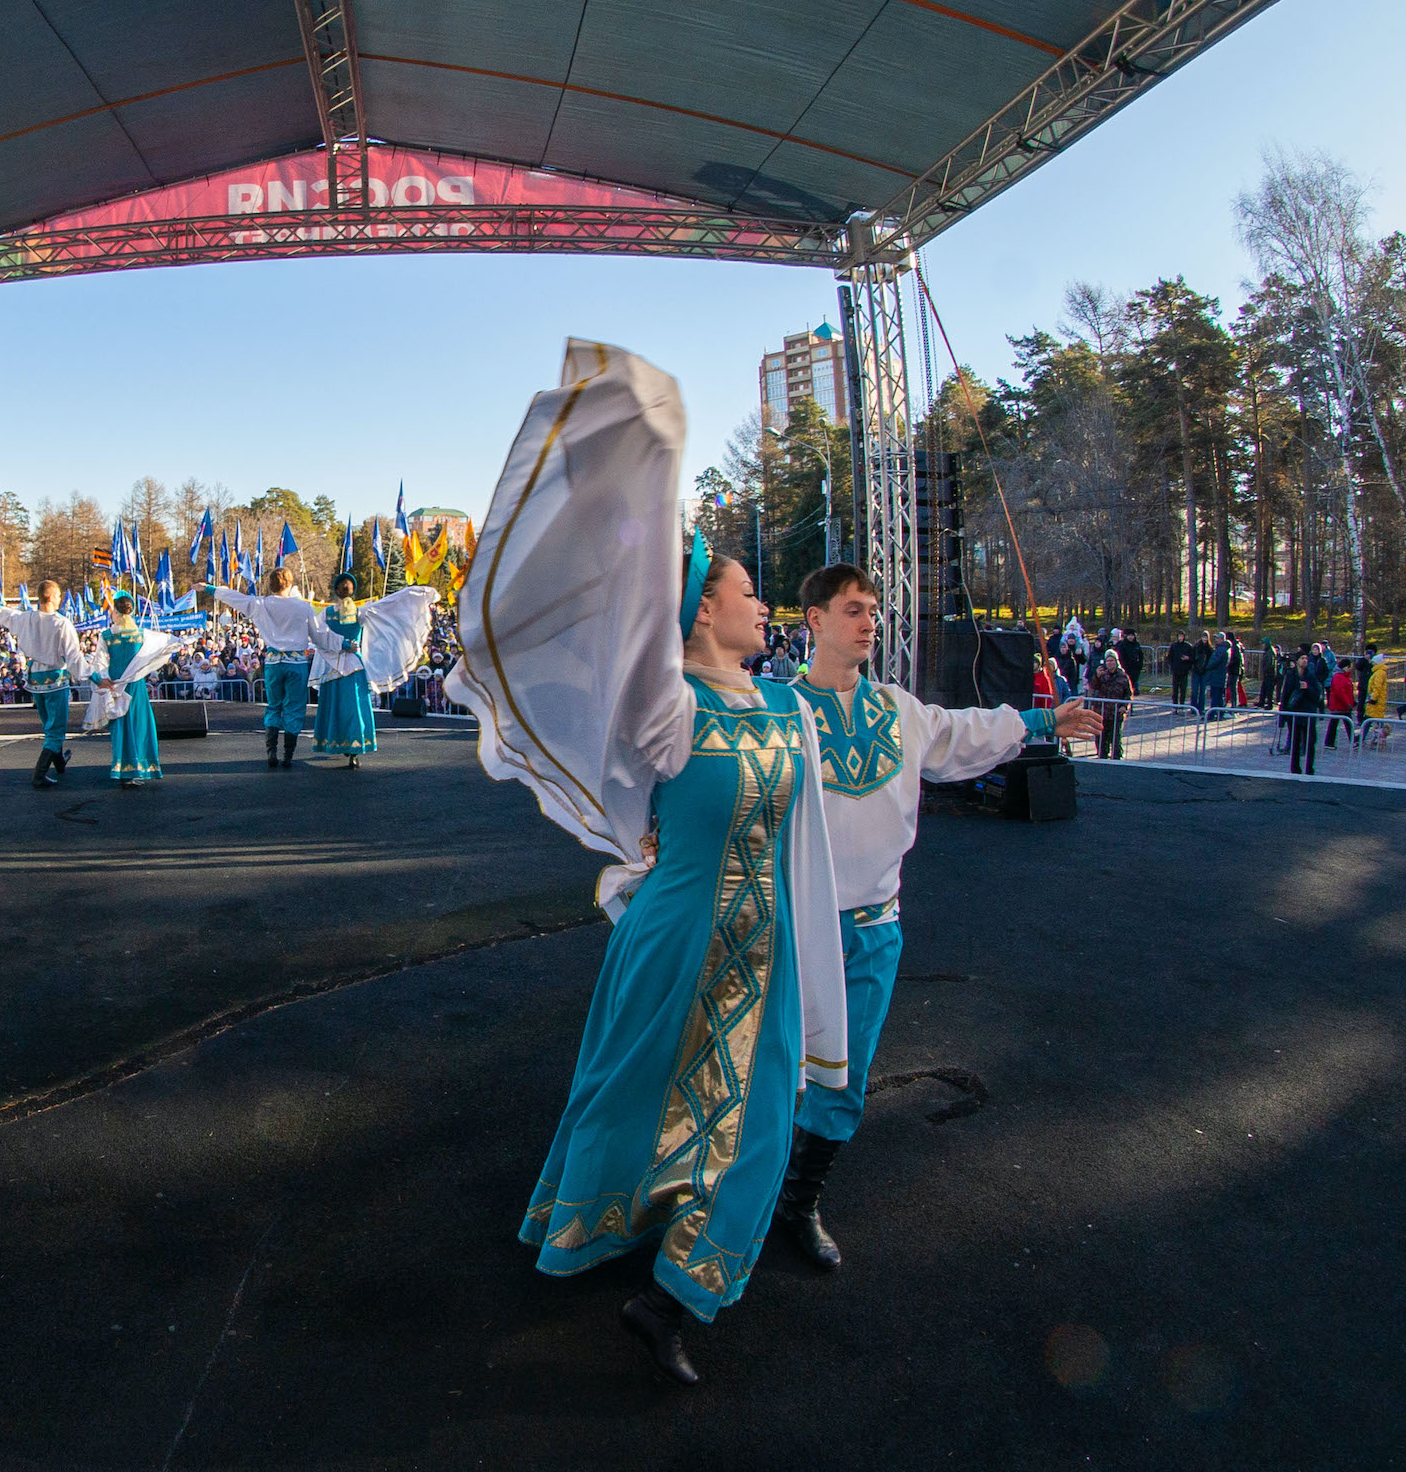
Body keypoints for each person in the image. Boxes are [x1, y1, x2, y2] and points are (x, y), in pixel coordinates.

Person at [446, 342, 847, 1388]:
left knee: (758, 1119)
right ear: (701, 610)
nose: (765, 608)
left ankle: (677, 1286)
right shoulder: (667, 712)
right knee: (632, 1097)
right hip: (677, 933)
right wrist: (654, 448)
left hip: (769, 948)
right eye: (748, 593)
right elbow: (629, 593)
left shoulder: (785, 706)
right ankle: (626, 1248)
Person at [783, 565, 1098, 1275]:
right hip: (792, 925)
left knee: (844, 1073)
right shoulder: (775, 709)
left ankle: (798, 1203)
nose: (869, 622)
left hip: (871, 931)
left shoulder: (897, 708)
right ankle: (742, 1196)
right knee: (771, 1067)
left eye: (873, 610)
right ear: (814, 620)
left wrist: (1046, 718)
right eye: (853, 609)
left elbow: (964, 733)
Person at [201, 567, 343, 769]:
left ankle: (271, 752)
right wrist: (344, 644)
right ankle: (288, 755)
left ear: (271, 585)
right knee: (294, 707)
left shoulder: (261, 604)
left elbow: (235, 598)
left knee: (274, 705)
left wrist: (209, 588)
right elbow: (321, 635)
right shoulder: (302, 607)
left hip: (274, 662)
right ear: (290, 583)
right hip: (296, 664)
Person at [308, 575, 438, 768]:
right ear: (353, 591)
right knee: (354, 708)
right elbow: (389, 606)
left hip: (331, 667)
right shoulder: (360, 613)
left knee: (335, 706)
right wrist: (415, 595)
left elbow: (318, 636)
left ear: (336, 591)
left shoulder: (327, 614)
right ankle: (354, 748)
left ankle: (337, 742)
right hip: (353, 666)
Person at [0, 580, 93, 788]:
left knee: (50, 726)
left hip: (35, 680)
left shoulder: (26, 618)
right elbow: (73, 657)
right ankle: (39, 774)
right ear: (49, 597)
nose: (59, 600)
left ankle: (59, 763)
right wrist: (92, 675)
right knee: (56, 729)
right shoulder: (61, 623)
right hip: (55, 680)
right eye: (57, 596)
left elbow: (5, 615)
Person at [83, 593, 178, 785]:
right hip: (135, 684)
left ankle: (124, 769)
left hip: (115, 684)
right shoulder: (142, 634)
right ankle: (141, 768)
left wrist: (103, 679)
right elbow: (164, 646)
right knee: (139, 723)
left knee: (121, 725)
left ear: (116, 612)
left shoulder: (107, 636)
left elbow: (99, 661)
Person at [1089, 647, 1132, 758]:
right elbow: (1093, 688)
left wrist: (1124, 706)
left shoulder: (1123, 677)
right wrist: (1097, 677)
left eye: (1112, 660)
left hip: (1116, 713)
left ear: (1116, 662)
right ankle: (1102, 756)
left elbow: (1128, 694)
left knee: (1116, 739)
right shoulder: (1102, 675)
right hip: (1102, 712)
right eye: (1107, 661)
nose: (1109, 663)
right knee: (1101, 739)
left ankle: (1117, 759)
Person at [1324, 654, 1358, 748]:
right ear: (1345, 667)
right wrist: (1348, 703)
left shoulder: (1345, 677)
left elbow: (1348, 692)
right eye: (1349, 667)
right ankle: (1352, 741)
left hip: (1344, 705)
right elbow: (1340, 692)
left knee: (1342, 724)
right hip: (1339, 705)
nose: (1351, 669)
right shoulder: (1338, 677)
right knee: (1340, 724)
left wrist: (1352, 702)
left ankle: (1330, 742)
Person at [1168, 633, 1193, 710]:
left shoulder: (1188, 646)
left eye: (1182, 636)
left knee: (1183, 689)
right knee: (1175, 689)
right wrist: (1172, 666)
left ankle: (1182, 705)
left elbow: (1192, 658)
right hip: (1176, 670)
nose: (1180, 638)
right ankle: (1175, 705)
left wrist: (1188, 658)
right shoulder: (1174, 646)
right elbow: (1170, 657)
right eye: (1179, 636)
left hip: (1184, 670)